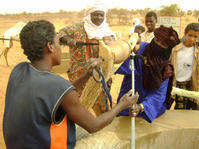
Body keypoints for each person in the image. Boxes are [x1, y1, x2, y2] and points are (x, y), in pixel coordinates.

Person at [3, 20, 138, 149]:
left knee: (77, 129)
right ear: (50, 46)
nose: (61, 48)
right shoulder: (59, 86)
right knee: (111, 138)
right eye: (59, 43)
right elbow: (93, 125)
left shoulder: (19, 70)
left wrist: (86, 75)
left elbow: (60, 93)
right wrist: (122, 105)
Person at [58, 0, 116, 116]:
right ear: (89, 15)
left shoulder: (108, 33)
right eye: (95, 14)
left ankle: (101, 128)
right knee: (78, 108)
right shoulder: (77, 28)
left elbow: (114, 53)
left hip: (100, 77)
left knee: (103, 109)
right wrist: (69, 40)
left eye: (101, 15)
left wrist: (106, 53)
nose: (99, 18)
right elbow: (60, 33)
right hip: (80, 77)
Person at [116, 25, 180, 123]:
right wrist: (125, 49)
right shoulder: (140, 49)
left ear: (168, 48)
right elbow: (120, 63)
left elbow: (159, 94)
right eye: (157, 40)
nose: (158, 44)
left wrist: (141, 107)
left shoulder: (166, 68)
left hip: (147, 109)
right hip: (127, 101)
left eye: (163, 44)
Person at [170, 23, 199, 110]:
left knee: (184, 111)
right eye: (190, 35)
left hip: (187, 86)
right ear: (185, 33)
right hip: (173, 84)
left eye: (195, 36)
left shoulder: (197, 52)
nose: (192, 39)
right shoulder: (175, 49)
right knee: (166, 108)